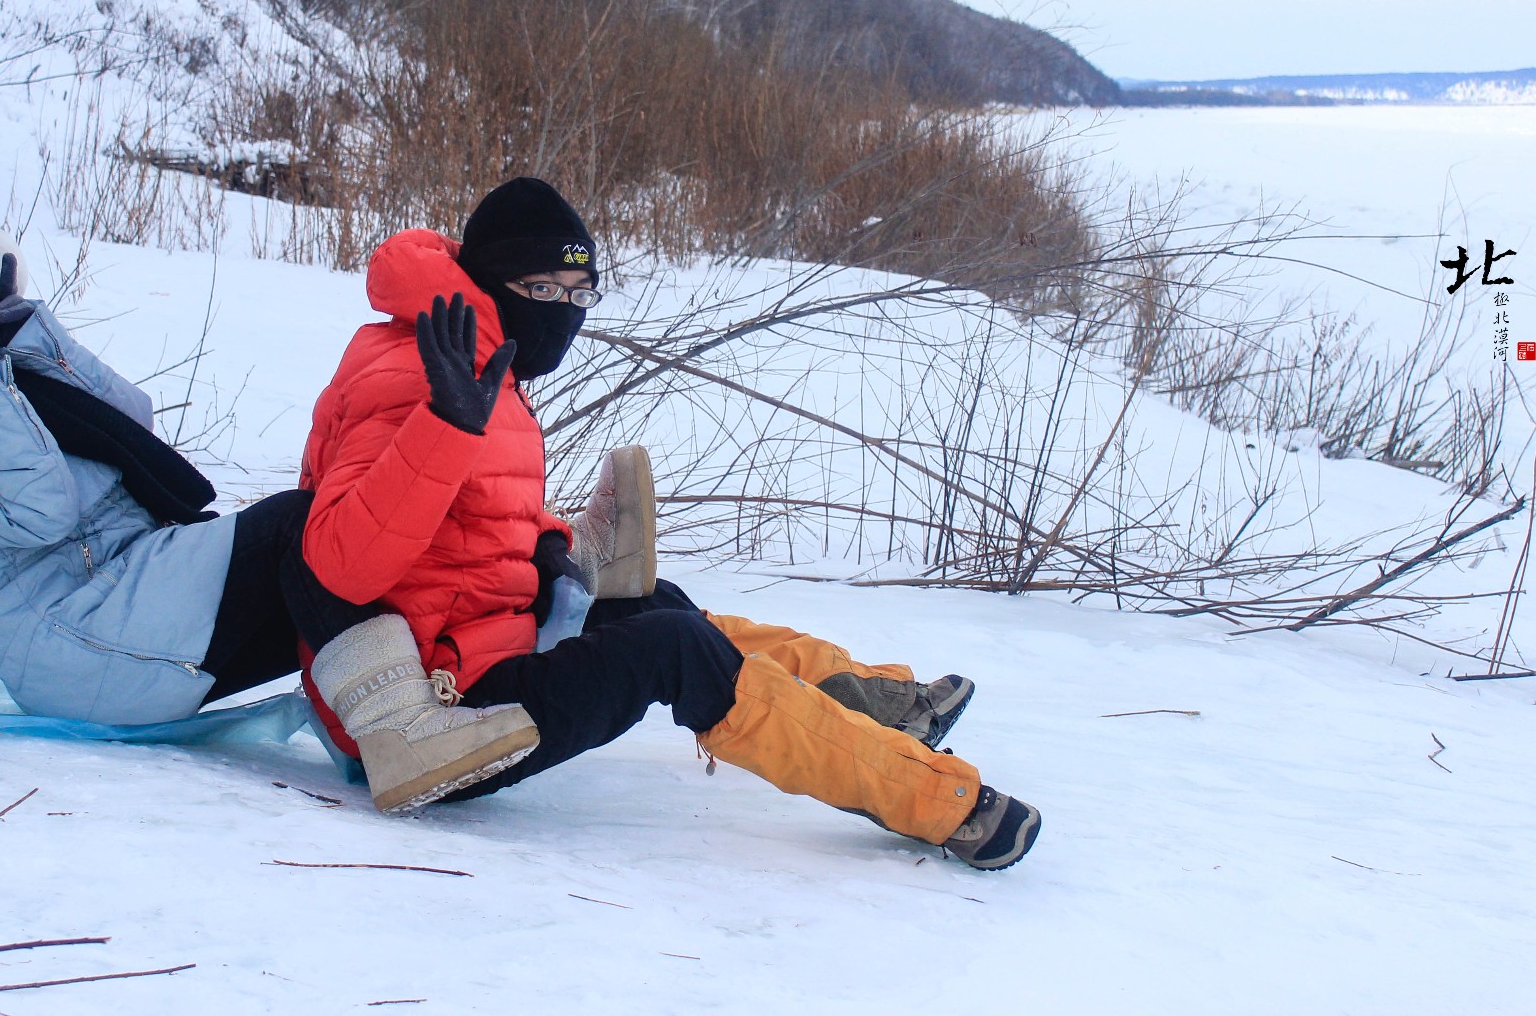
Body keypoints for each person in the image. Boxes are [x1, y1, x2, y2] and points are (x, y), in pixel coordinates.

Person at [297, 177, 1041, 869]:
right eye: (540, 288)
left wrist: (549, 547)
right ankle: (932, 799)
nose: (561, 310)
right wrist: (443, 425)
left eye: (579, 293)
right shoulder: (419, 375)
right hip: (427, 721)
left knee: (655, 603)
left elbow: (461, 523)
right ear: (489, 281)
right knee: (674, 648)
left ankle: (875, 702)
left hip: (474, 646)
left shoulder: (483, 360)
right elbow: (340, 563)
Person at [0, 193, 541, 811]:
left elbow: (131, 418)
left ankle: (482, 666)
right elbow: (39, 510)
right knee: (305, 533)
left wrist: (28, 339)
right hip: (74, 640)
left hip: (122, 589)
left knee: (351, 561)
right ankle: (397, 728)